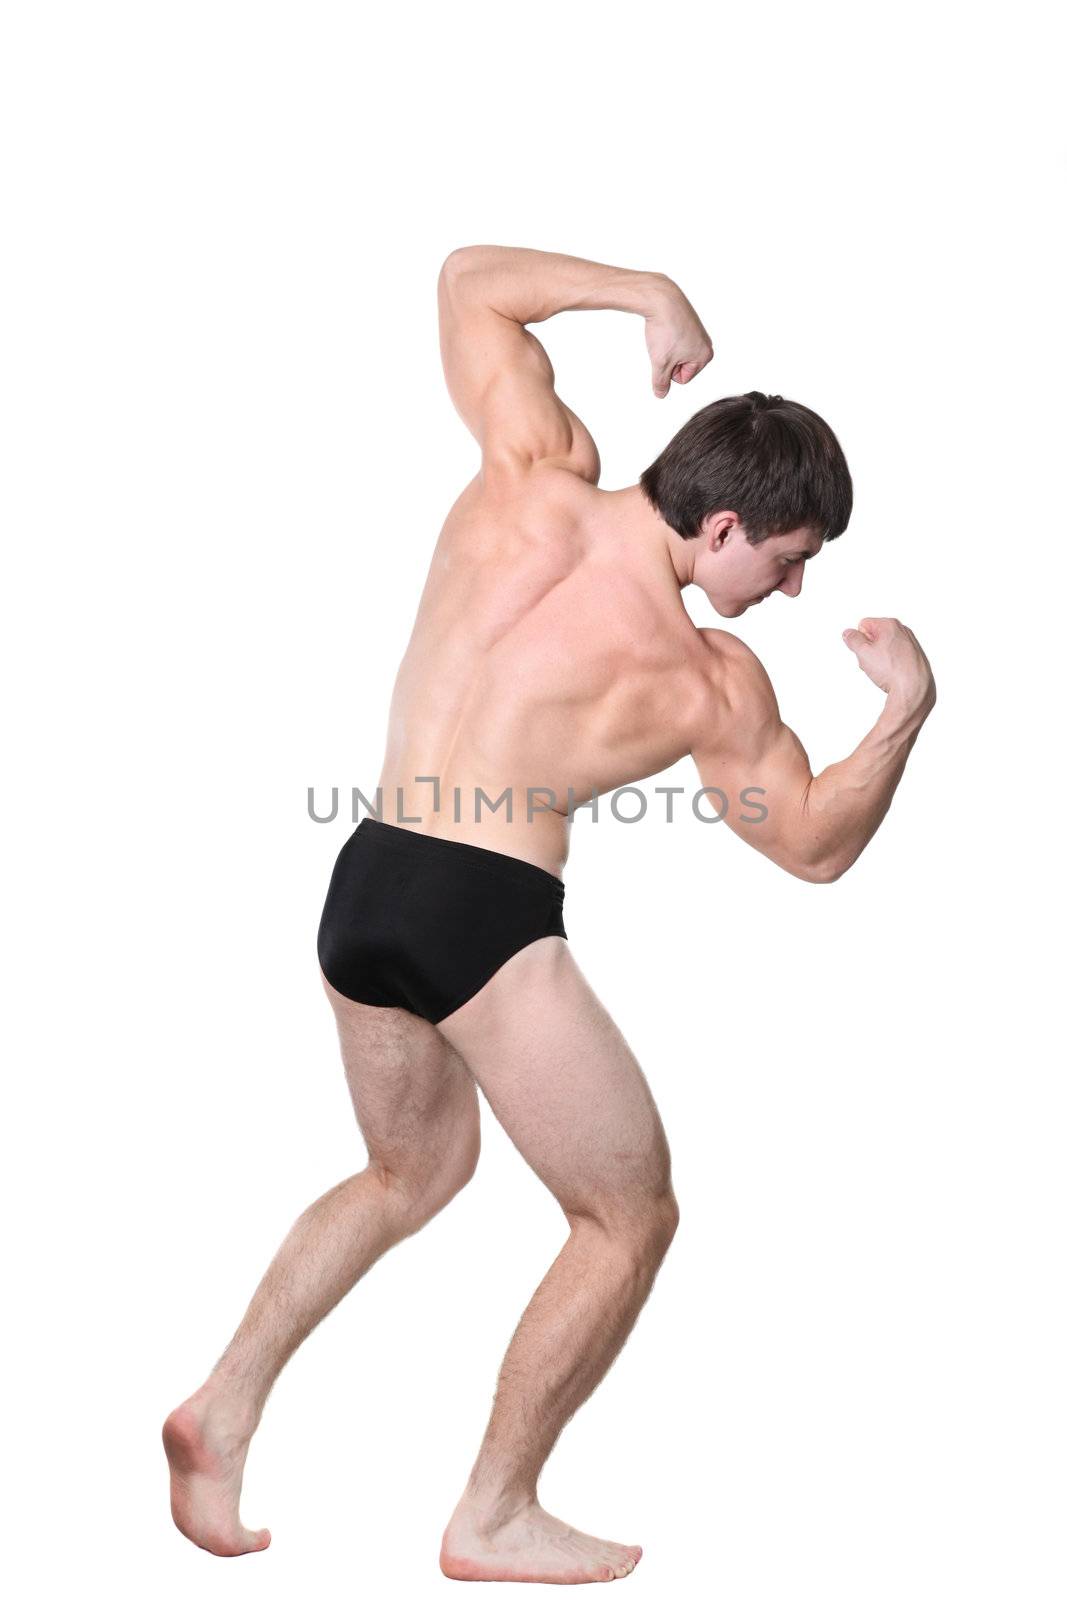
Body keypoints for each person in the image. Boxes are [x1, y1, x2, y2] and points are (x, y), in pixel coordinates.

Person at [163, 245, 936, 1583]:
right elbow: (811, 848)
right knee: (627, 1218)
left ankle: (221, 1409)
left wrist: (648, 291)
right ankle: (495, 1510)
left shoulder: (529, 471)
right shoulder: (710, 676)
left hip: (366, 877)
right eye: (793, 562)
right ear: (724, 532)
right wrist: (906, 711)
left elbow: (468, 282)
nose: (792, 593)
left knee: (415, 1173)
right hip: (482, 909)